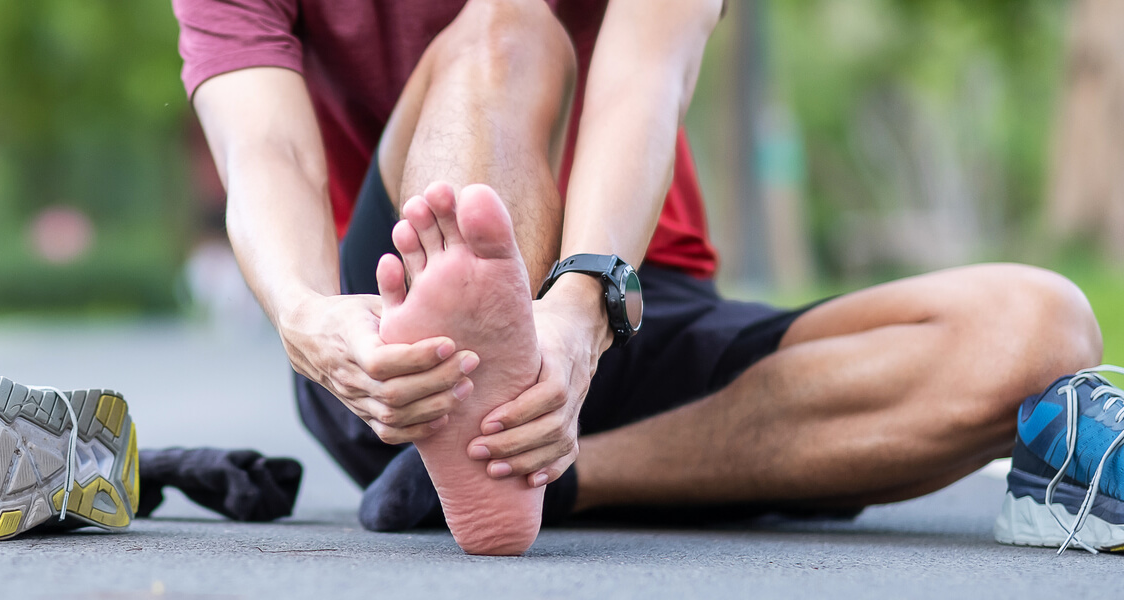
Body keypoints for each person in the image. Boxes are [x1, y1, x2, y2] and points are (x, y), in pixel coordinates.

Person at [174, 0, 1105, 554]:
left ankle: (555, 474)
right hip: (397, 366)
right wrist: (306, 318)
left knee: (1040, 331)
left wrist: (579, 312)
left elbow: (643, 81)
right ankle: (472, 384)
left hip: (624, 301)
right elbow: (267, 151)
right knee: (505, 29)